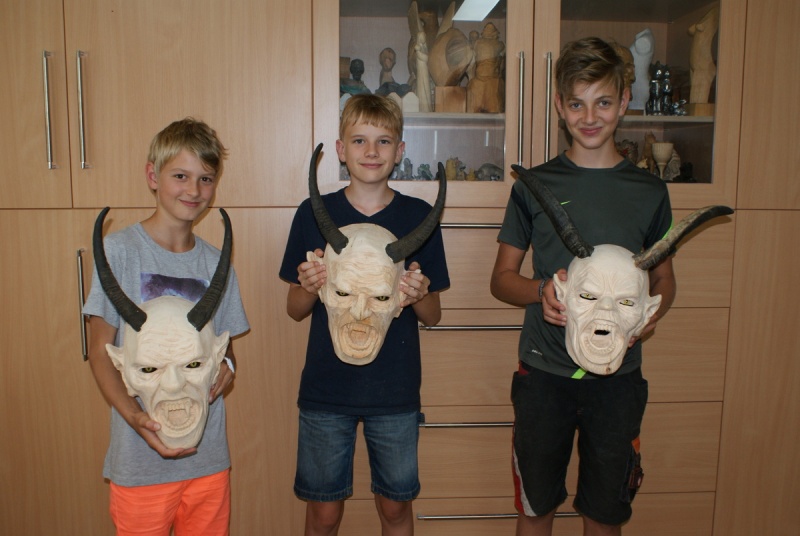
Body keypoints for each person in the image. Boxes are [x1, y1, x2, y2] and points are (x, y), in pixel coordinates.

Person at [490, 37, 676, 536]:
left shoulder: (650, 191)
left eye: (603, 102)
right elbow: (501, 280)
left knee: (605, 514)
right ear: (559, 105)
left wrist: (645, 319)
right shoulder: (533, 186)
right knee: (536, 510)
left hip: (618, 381)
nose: (589, 117)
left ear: (625, 102)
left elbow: (663, 279)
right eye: (576, 104)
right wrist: (540, 293)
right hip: (543, 375)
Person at [280, 94, 449, 536]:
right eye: (359, 140)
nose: (371, 151)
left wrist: (418, 294)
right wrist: (309, 286)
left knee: (395, 509)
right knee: (323, 513)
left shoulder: (419, 218)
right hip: (325, 390)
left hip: (394, 392)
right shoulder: (313, 214)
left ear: (400, 150)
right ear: (341, 149)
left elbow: (433, 315)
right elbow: (294, 310)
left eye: (383, 141)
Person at [83, 118, 250, 536]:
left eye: (205, 179)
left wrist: (228, 366)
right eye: (180, 176)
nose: (193, 190)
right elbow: (101, 352)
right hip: (140, 463)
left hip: (207, 460)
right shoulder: (119, 253)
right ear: (153, 176)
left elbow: (226, 347)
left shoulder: (216, 262)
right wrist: (134, 417)